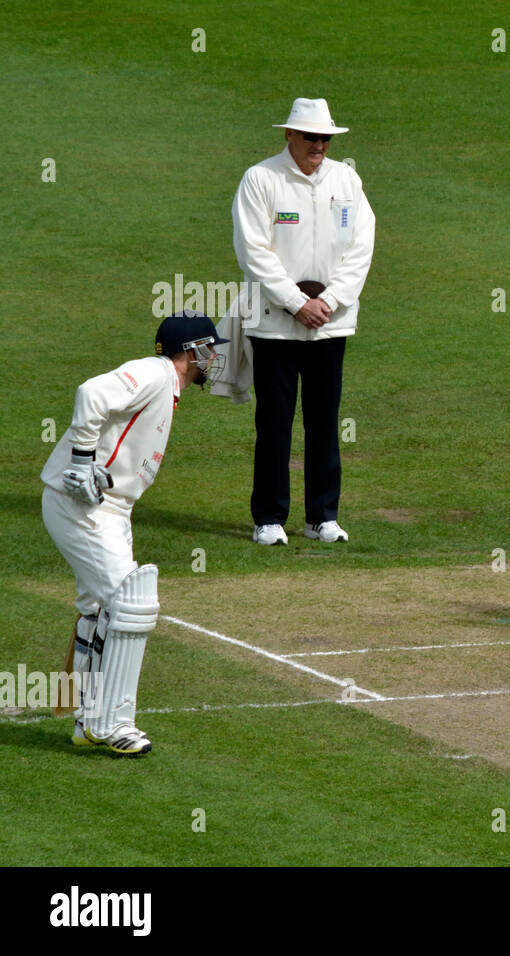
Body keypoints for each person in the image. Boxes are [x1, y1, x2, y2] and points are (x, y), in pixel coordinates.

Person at [41, 311, 228, 754]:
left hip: (110, 509)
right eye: (210, 349)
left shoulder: (167, 386)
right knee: (130, 605)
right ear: (192, 351)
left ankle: (88, 720)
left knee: (99, 609)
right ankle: (112, 724)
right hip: (83, 504)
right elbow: (92, 392)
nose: (215, 358)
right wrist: (83, 464)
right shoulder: (153, 372)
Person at [231, 97, 376, 546]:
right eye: (311, 137)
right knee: (274, 420)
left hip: (330, 322)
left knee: (323, 418)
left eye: (325, 138)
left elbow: (362, 246)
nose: (319, 145)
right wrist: (297, 303)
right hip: (275, 323)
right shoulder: (261, 179)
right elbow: (253, 251)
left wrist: (329, 301)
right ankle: (270, 518)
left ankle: (321, 517)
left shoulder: (346, 179)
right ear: (289, 135)